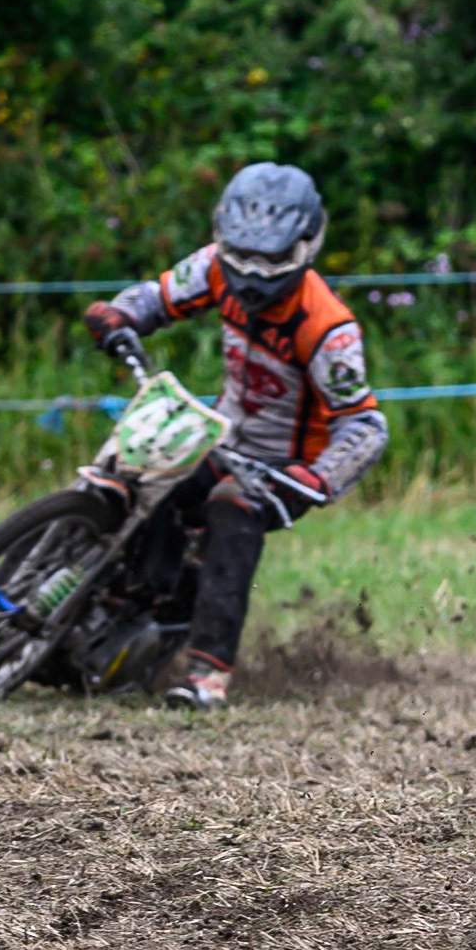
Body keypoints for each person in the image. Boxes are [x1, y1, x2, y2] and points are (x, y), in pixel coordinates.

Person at [81, 162, 388, 710]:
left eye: (271, 261)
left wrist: (317, 477)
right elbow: (157, 298)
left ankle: (206, 676)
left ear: (306, 245)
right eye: (240, 256)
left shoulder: (329, 328)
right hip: (221, 432)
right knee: (140, 468)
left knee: (232, 510)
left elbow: (364, 425)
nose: (251, 274)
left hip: (282, 467)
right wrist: (121, 313)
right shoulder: (214, 267)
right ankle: (55, 598)